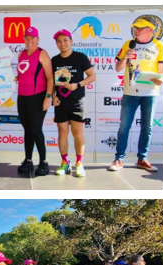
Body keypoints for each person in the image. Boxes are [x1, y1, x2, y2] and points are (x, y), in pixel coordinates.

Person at [109, 19, 163, 172]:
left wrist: (161, 79)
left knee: (147, 127)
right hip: (130, 92)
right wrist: (125, 57)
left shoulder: (160, 46)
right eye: (135, 28)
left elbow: (162, 70)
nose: (136, 31)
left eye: (139, 28)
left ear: (150, 30)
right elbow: (118, 68)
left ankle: (142, 158)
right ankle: (119, 159)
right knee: (124, 126)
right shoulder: (128, 44)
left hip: (150, 92)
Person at [51, 29, 97, 177]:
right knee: (62, 133)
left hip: (77, 101)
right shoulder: (54, 60)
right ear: (56, 44)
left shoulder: (80, 57)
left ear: (71, 41)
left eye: (65, 40)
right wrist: (53, 96)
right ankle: (65, 163)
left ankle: (79, 163)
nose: (62, 43)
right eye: (59, 41)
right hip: (61, 101)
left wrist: (76, 85)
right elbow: (51, 81)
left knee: (77, 133)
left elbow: (92, 76)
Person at [16, 27, 53, 176]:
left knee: (36, 129)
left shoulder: (42, 54)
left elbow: (50, 77)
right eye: (27, 38)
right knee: (27, 129)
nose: (29, 41)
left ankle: (43, 162)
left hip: (38, 97)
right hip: (22, 97)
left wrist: (48, 97)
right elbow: (24, 73)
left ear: (37, 39)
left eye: (32, 38)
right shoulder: (21, 53)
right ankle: (28, 160)